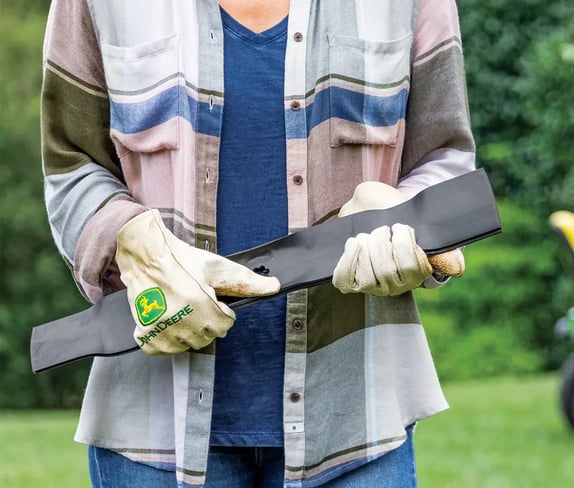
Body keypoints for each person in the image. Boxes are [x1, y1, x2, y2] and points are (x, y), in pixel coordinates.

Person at [40, 0, 476, 486]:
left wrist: (403, 216)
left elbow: (445, 160)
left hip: (360, 424)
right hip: (151, 428)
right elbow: (72, 169)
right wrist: (131, 237)